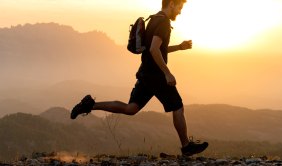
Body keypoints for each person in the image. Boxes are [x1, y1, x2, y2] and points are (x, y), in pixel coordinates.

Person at [71, 0, 208, 156]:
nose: (180, 11)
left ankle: (89, 105)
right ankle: (186, 146)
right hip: (157, 76)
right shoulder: (163, 23)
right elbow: (154, 49)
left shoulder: (154, 19)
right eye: (179, 7)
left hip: (145, 73)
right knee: (177, 107)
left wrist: (179, 47)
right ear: (171, 4)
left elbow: (157, 49)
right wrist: (167, 73)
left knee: (131, 108)